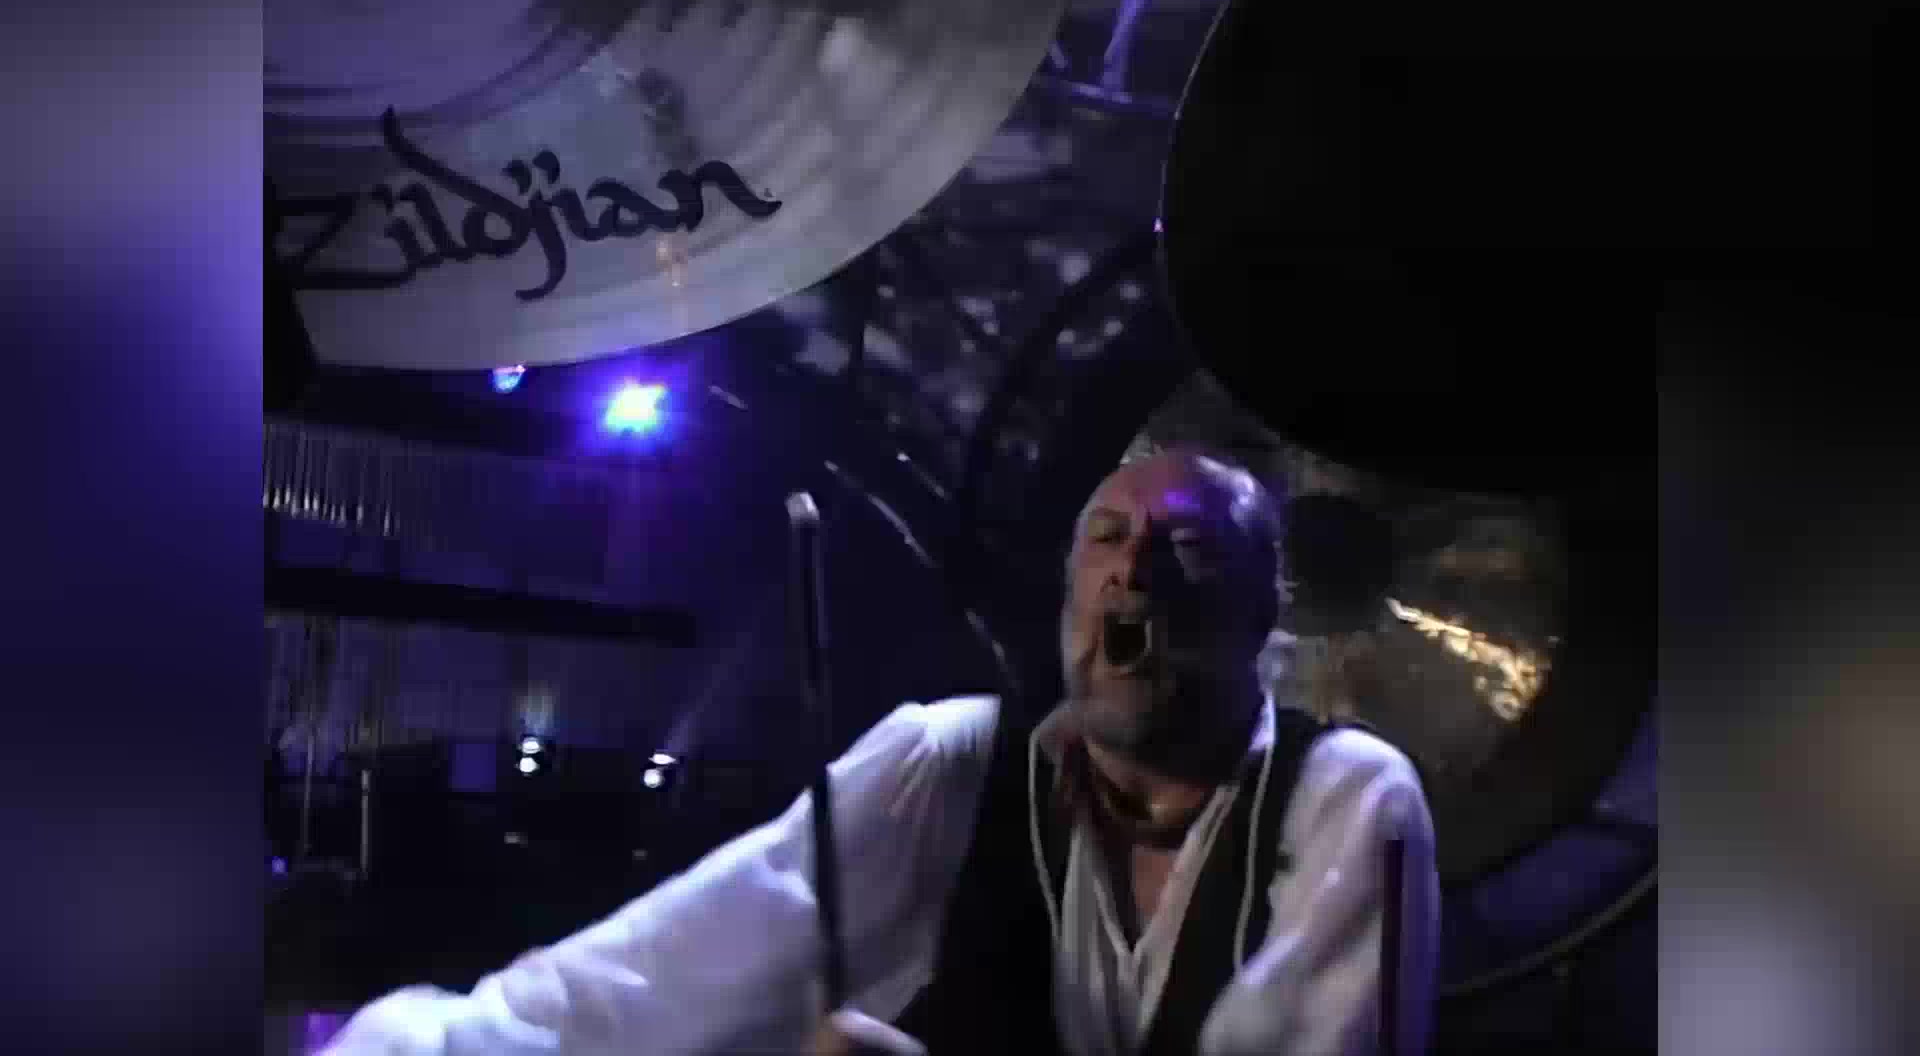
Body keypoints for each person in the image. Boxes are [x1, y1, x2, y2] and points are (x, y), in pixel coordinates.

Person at [319, 448, 1439, 1056]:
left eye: (1187, 546)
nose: (1133, 568)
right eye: (1106, 538)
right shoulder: (951, 764)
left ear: (1259, 617)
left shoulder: (1346, 800)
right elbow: (656, 975)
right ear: (1068, 602)